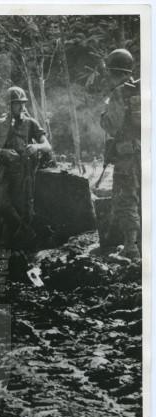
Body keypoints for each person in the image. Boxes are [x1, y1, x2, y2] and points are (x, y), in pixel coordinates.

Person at [0, 86, 52, 250]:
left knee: (24, 209)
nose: (21, 107)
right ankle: (24, 235)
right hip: (3, 172)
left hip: (24, 173)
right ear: (9, 105)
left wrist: (36, 147)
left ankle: (19, 245)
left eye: (23, 103)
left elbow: (47, 146)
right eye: (17, 103)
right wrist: (4, 152)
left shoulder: (31, 123)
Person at [100, 48, 141, 259]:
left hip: (127, 156)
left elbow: (112, 126)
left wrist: (103, 115)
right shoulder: (143, 88)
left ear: (112, 71)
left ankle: (130, 248)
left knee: (126, 199)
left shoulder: (119, 93)